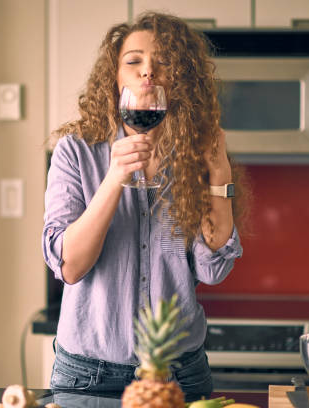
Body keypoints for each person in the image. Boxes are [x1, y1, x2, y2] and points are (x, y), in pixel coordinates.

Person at [42, 11, 249, 397]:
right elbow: (70, 266)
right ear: (115, 78)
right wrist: (114, 177)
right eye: (133, 62)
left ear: (180, 79)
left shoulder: (195, 152)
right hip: (89, 376)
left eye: (163, 63)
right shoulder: (77, 152)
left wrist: (220, 177)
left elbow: (213, 268)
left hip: (180, 375)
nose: (147, 73)